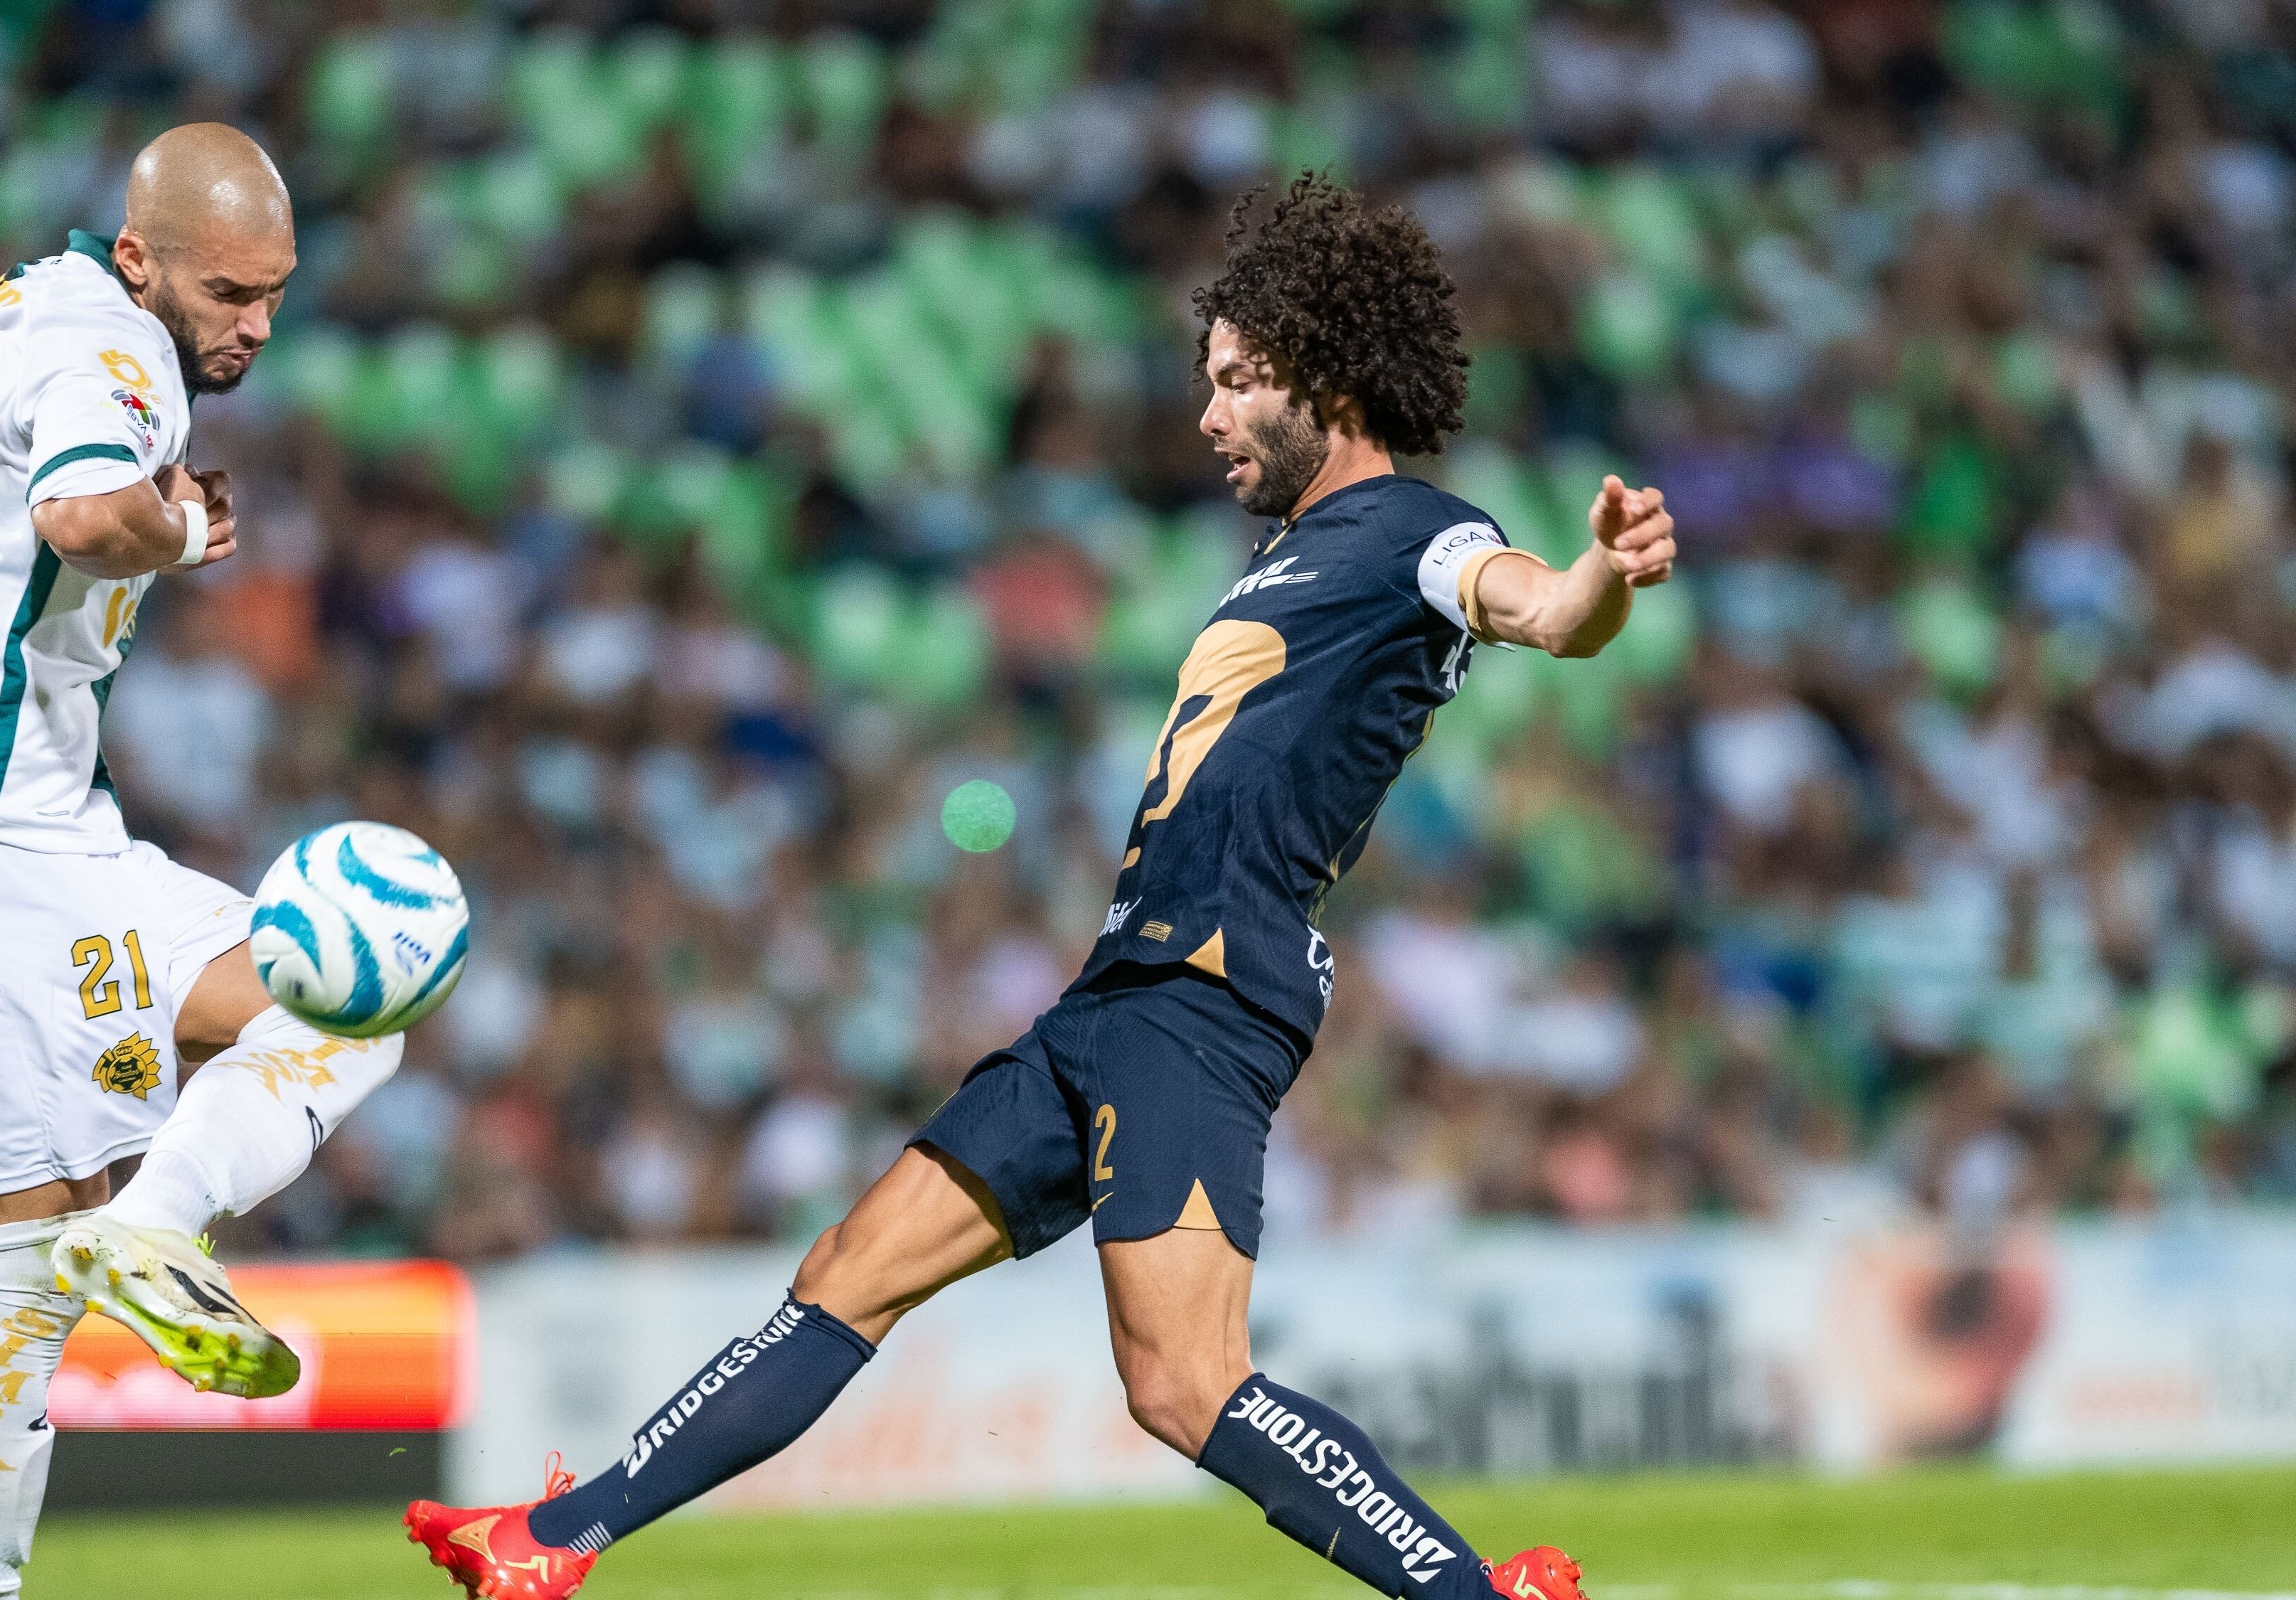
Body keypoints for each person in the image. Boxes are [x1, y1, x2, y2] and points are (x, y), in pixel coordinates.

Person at [404, 173, 1680, 1600]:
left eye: (1238, 381)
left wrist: (1596, 580)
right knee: (849, 1267)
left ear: (1322, 378)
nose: (1207, 414)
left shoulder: (1411, 533)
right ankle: (551, 1541)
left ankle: (1462, 1591)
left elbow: (1540, 610)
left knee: (1184, 1385)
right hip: (1108, 997)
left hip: (1200, 999)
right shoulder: (1278, 560)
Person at [0, 124, 412, 1600]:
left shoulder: (38, 308)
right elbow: (85, 512)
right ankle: (155, 1232)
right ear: (142, 258)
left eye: (276, 294)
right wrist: (183, 528)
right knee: (348, 1000)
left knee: (21, 1256)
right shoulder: (113, 350)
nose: (257, 326)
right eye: (229, 294)